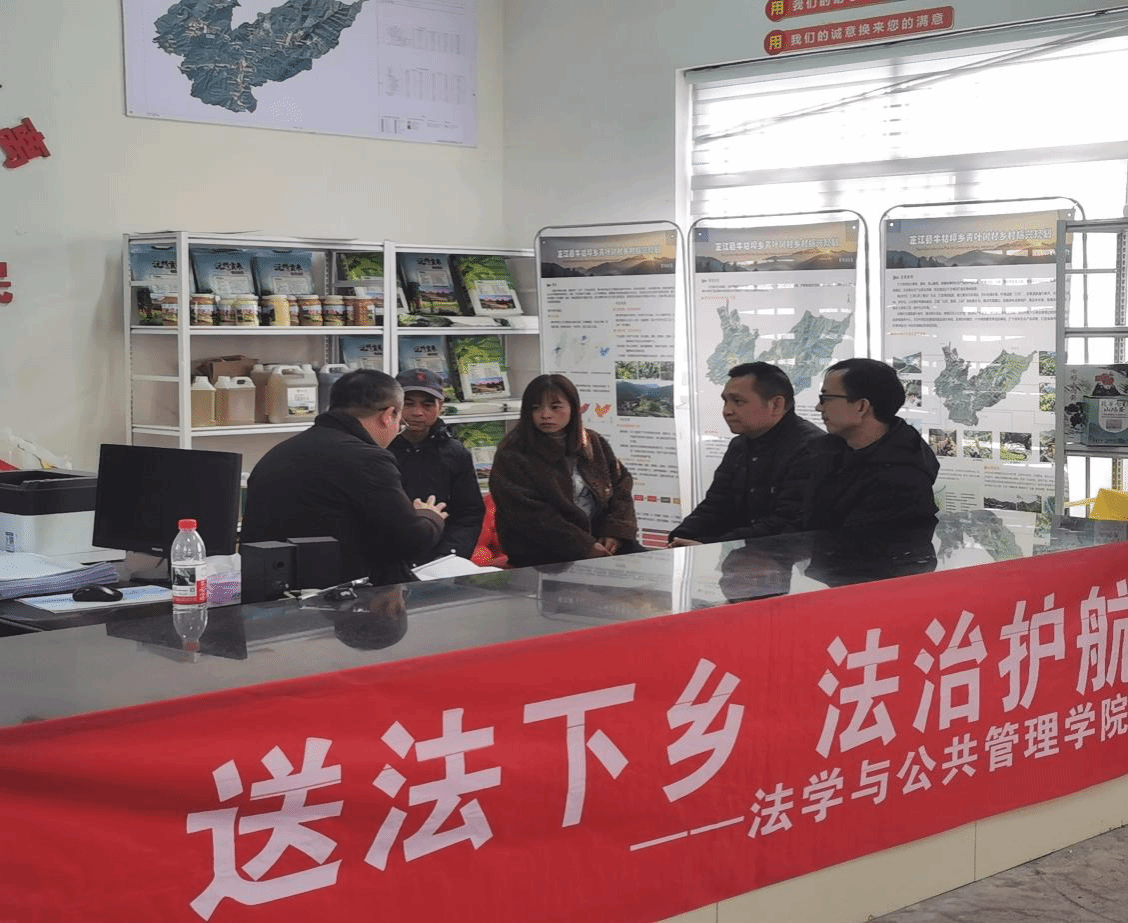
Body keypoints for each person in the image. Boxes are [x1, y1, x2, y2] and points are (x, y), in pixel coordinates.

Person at [241, 369, 448, 586]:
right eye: (399, 422)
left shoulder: (279, 453)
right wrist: (430, 516)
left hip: (269, 591)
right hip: (343, 597)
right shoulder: (367, 459)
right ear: (388, 416)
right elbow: (411, 540)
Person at [489, 373, 640, 567]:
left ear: (573, 408)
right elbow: (530, 516)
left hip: (602, 542)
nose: (545, 415)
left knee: (651, 572)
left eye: (555, 407)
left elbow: (621, 487)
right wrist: (584, 546)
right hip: (542, 554)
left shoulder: (592, 442)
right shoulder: (513, 453)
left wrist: (615, 531)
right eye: (535, 408)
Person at [668, 361, 823, 545]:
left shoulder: (811, 449)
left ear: (776, 405)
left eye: (738, 401)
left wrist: (708, 547)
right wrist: (680, 537)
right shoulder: (740, 445)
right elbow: (716, 505)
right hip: (735, 553)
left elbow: (787, 524)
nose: (727, 411)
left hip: (783, 556)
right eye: (725, 401)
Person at [804, 357, 940, 530]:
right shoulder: (824, 450)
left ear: (861, 406)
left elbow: (856, 542)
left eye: (826, 398)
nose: (818, 407)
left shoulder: (902, 481)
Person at [389, 368, 485, 563]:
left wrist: (448, 555)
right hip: (388, 555)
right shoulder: (380, 449)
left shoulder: (455, 453)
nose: (417, 412)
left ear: (440, 406)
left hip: (442, 556)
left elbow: (469, 513)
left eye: (427, 404)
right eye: (408, 404)